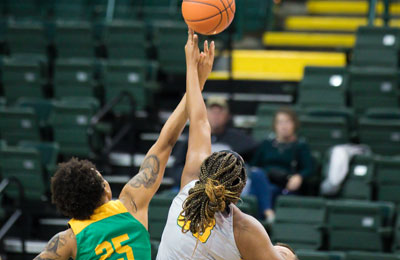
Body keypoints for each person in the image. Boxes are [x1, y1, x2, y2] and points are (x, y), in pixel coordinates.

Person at [33, 28, 215, 260]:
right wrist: (197, 82)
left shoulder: (66, 241)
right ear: (106, 188)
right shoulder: (131, 203)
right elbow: (166, 141)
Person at [156, 29, 297, 260]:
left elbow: (200, 122)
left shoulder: (187, 190)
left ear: (204, 172)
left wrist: (193, 70)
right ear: (241, 191)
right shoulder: (244, 228)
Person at [170, 95, 258, 187]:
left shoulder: (238, 138)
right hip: (195, 185)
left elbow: (253, 154)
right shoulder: (193, 137)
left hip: (227, 186)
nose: (216, 115)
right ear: (205, 114)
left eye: (220, 112)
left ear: (228, 115)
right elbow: (177, 166)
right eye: (212, 111)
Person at [251, 107, 314, 222]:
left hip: (285, 184)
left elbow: (309, 168)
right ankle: (268, 213)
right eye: (280, 122)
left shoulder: (300, 146)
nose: (284, 126)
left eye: (287, 122)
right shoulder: (266, 144)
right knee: (256, 175)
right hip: (265, 181)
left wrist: (299, 176)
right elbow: (254, 165)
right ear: (275, 125)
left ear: (294, 124)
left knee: (265, 190)